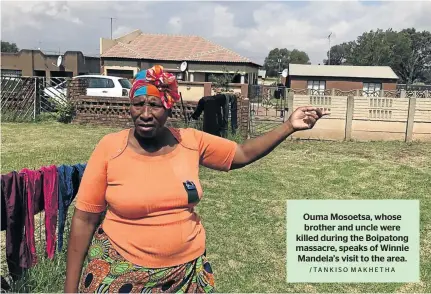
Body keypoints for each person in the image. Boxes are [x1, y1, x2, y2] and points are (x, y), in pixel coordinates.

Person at [64, 65, 328, 293]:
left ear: (168, 108)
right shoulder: (110, 147)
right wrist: (70, 290)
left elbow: (242, 153)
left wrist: (288, 127)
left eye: (155, 105)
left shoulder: (190, 141)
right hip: (121, 273)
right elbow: (84, 218)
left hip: (187, 276)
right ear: (129, 107)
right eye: (138, 104)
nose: (145, 113)